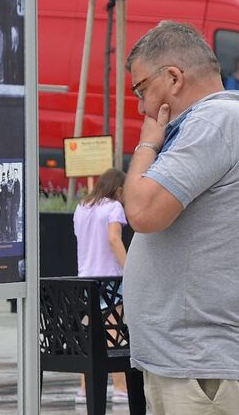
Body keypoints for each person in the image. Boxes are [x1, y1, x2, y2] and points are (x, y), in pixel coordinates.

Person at [122, 21, 239, 414]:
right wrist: (234, 283)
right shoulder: (238, 121)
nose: (141, 107)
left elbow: (141, 210)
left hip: (204, 368)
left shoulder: (211, 123)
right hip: (204, 364)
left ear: (173, 77)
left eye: (141, 90)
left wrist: (148, 141)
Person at [72, 167, 129, 404]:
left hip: (86, 279)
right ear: (118, 189)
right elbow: (114, 238)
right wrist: (129, 269)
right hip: (110, 280)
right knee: (114, 335)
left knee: (90, 337)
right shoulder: (113, 207)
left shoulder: (82, 207)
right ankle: (120, 390)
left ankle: (84, 390)